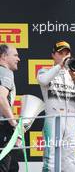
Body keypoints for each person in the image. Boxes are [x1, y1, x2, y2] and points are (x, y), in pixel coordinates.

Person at [37, 40, 75, 172]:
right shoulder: (44, 72)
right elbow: (43, 80)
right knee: (51, 158)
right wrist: (60, 65)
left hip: (71, 119)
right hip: (53, 119)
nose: (64, 55)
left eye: (67, 53)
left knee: (69, 158)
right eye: (61, 53)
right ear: (53, 55)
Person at [0, 44, 21, 172]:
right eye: (15, 55)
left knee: (12, 166)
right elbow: (1, 98)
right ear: (3, 56)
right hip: (2, 126)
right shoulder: (5, 71)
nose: (18, 59)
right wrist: (13, 123)